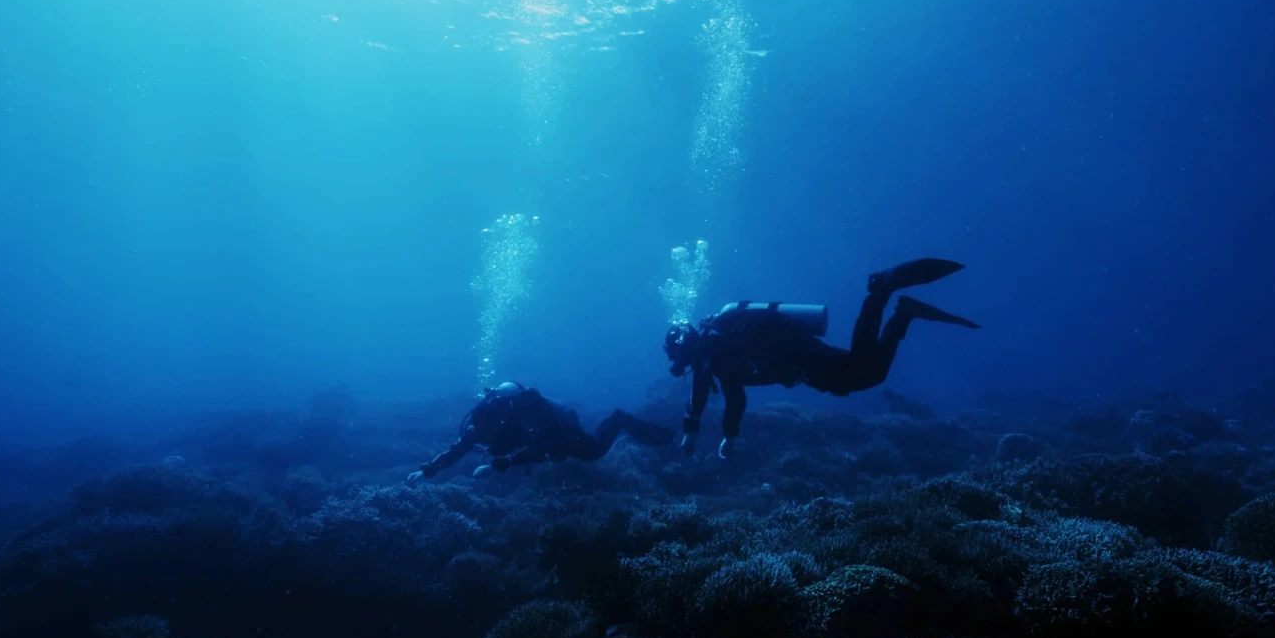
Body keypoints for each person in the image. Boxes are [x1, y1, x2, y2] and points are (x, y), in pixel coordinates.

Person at [663, 257, 978, 458]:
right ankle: (902, 313)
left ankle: (881, 292)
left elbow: (704, 390)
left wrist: (693, 432)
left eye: (677, 358)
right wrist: (729, 436)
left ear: (684, 348)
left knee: (862, 372)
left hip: (803, 357)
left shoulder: (710, 353)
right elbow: (734, 397)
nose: (679, 366)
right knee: (868, 374)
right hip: (803, 361)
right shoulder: (719, 353)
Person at [407, 382, 676, 480]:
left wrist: (503, 464)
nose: (485, 441)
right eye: (482, 435)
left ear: (499, 423)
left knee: (592, 452)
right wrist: (428, 470)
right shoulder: (479, 427)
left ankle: (619, 420)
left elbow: (539, 448)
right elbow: (457, 451)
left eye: (489, 435)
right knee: (553, 453)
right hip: (540, 438)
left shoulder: (521, 417)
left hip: (558, 428)